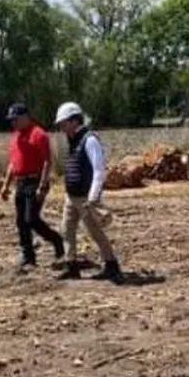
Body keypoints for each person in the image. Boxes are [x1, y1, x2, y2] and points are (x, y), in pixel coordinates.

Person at [54, 102, 123, 284]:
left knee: (95, 232)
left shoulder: (90, 140)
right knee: (66, 230)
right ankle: (71, 266)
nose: (61, 128)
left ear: (74, 121)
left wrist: (93, 197)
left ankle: (111, 265)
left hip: (86, 197)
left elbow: (99, 171)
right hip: (72, 196)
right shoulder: (73, 140)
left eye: (63, 123)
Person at [0, 102, 64, 270]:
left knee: (31, 219)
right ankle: (28, 256)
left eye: (16, 119)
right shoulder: (15, 137)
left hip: (35, 181)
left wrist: (42, 186)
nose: (13, 123)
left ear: (25, 117)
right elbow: (13, 163)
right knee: (21, 221)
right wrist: (6, 185)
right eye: (11, 120)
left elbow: (47, 161)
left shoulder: (38, 134)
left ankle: (56, 240)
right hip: (21, 182)